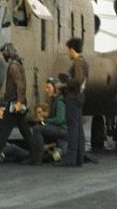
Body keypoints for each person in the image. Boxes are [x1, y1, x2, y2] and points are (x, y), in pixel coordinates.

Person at [0, 42, 42, 165]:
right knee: (24, 131)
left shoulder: (13, 66)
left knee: (4, 130)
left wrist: (18, 102)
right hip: (15, 102)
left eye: (4, 52)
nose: (3, 55)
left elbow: (20, 85)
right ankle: (36, 157)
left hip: (14, 103)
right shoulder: (17, 64)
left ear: (8, 52)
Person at [60, 38, 89, 167]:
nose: (67, 53)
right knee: (78, 129)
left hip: (73, 97)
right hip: (80, 97)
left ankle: (71, 158)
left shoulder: (78, 62)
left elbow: (77, 80)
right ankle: (78, 158)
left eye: (68, 51)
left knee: (72, 128)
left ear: (72, 50)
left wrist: (65, 83)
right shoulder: (84, 62)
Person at [31, 77, 68, 163]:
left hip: (62, 129)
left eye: (48, 87)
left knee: (36, 129)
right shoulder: (56, 100)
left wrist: (45, 121)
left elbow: (59, 119)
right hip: (62, 130)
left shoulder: (60, 101)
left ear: (55, 88)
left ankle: (37, 158)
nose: (46, 90)